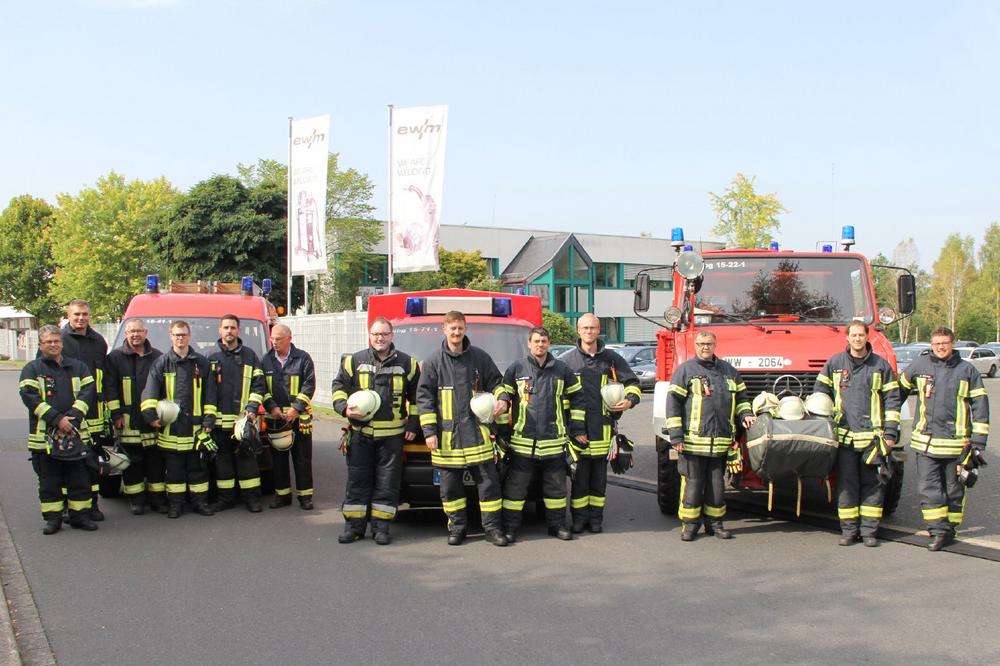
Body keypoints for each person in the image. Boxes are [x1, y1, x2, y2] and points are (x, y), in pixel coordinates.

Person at [416, 311, 508, 546]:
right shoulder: (434, 361)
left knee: (489, 486)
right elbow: (424, 398)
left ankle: (492, 529)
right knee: (450, 490)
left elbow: (497, 382)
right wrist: (429, 432)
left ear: (466, 329)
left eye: (460, 328)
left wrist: (503, 399)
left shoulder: (480, 358)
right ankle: (457, 529)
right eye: (452, 328)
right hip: (448, 439)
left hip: (478, 434)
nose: (456, 332)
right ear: (444, 329)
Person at [898, 326, 990, 551]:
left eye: (945, 343)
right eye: (937, 343)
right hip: (925, 443)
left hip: (956, 445)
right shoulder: (920, 366)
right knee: (929, 489)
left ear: (952, 344)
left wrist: (978, 443)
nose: (940, 347)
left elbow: (981, 407)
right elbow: (897, 392)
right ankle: (938, 530)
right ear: (932, 345)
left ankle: (949, 528)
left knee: (954, 490)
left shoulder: (967, 371)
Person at [331, 317, 420, 545]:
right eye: (375, 334)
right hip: (361, 434)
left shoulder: (408, 364)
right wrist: (344, 409)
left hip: (392, 437)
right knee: (357, 481)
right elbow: (339, 387)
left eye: (384, 334)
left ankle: (381, 529)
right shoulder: (354, 361)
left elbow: (418, 397)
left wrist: (413, 424)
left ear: (391, 336)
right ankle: (354, 527)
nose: (379, 338)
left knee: (387, 484)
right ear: (369, 335)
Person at [814, 321, 901, 547]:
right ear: (847, 338)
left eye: (861, 335)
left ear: (866, 337)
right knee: (846, 485)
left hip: (873, 439)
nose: (857, 339)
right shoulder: (835, 363)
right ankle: (849, 531)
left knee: (873, 485)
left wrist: (891, 434)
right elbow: (820, 394)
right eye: (853, 335)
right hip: (844, 439)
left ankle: (870, 531)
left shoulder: (881, 366)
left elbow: (892, 402)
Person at [498, 326, 587, 542]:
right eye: (536, 341)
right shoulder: (517, 368)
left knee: (556, 489)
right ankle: (510, 528)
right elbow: (503, 391)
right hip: (522, 443)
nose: (540, 345)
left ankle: (557, 526)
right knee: (515, 490)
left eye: (544, 341)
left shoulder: (562, 369)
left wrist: (577, 429)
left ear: (549, 344)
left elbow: (578, 398)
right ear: (529, 344)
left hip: (554, 442)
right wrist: (502, 430)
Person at [665, 330, 753, 541]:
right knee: (693, 485)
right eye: (701, 343)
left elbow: (741, 397)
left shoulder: (730, 371)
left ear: (715, 345)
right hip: (693, 443)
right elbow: (673, 405)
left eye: (709, 344)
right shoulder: (685, 371)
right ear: (695, 345)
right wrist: (676, 437)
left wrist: (746, 413)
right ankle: (690, 525)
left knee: (716, 486)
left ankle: (715, 524)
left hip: (721, 442)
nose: (705, 347)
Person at [559, 313, 641, 533]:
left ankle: (596, 520)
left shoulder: (612, 359)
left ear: (598, 330)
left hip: (604, 432)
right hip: (577, 433)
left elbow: (632, 382)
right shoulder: (567, 361)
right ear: (578, 330)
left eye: (593, 328)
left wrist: (629, 401)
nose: (589, 331)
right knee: (579, 480)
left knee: (599, 481)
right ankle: (578, 520)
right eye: (585, 328)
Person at [19, 325, 99, 534]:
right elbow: (30, 398)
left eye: (56, 341)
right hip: (45, 438)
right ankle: (53, 519)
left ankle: (80, 516)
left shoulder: (79, 367)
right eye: (48, 342)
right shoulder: (32, 369)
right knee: (49, 481)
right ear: (40, 345)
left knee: (80, 479)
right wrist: (57, 420)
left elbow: (87, 393)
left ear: (62, 343)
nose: (53, 345)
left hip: (76, 433)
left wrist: (71, 418)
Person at [140, 320, 218, 518]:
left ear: (189, 336)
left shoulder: (201, 363)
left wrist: (209, 421)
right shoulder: (161, 363)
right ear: (171, 336)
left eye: (183, 334)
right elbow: (149, 393)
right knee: (174, 472)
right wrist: (150, 417)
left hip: (196, 430)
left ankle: (200, 503)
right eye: (176, 335)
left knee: (198, 471)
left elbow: (210, 395)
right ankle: (176, 505)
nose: (180, 338)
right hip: (171, 430)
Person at [104, 318, 165, 514]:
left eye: (139, 331)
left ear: (146, 333)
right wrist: (115, 415)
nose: (135, 335)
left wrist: (161, 415)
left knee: (155, 462)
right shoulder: (115, 358)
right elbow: (110, 389)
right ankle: (136, 500)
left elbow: (164, 390)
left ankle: (157, 499)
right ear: (125, 334)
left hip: (152, 421)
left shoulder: (157, 357)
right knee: (132, 464)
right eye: (132, 331)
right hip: (127, 421)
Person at [207, 315, 268, 513]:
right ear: (219, 330)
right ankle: (226, 499)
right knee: (222, 461)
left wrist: (251, 409)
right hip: (220, 422)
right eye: (226, 327)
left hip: (243, 421)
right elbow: (206, 391)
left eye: (233, 327)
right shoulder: (211, 357)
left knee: (247, 460)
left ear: (238, 330)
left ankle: (252, 499)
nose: (229, 331)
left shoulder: (250, 356)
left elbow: (259, 385)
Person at [60, 300, 109, 521]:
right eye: (77, 314)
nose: (81, 318)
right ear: (69, 315)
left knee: (93, 462)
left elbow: (103, 377)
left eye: (85, 314)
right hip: (68, 412)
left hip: (94, 413)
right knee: (68, 462)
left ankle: (92, 505)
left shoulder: (98, 341)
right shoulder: (59, 340)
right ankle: (68, 508)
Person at [260, 324, 316, 510]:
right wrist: (272, 406)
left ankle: (305, 497)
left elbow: (309, 385)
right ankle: (282, 495)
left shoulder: (303, 358)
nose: (274, 342)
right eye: (272, 339)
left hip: (299, 419)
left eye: (279, 339)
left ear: (289, 338)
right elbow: (261, 388)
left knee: (302, 458)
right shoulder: (266, 360)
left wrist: (296, 409)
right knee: (278, 459)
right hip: (276, 419)